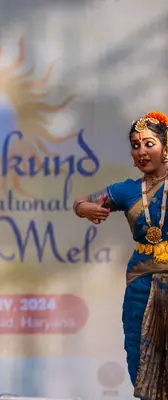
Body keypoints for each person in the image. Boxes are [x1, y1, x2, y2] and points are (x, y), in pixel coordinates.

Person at [72, 110, 168, 398]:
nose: (141, 151)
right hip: (140, 281)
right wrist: (83, 208)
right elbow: (82, 201)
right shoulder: (127, 190)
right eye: (135, 145)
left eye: (149, 143)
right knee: (139, 349)